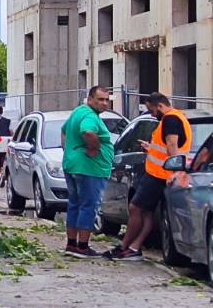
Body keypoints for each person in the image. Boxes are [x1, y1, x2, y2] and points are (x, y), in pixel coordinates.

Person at [108, 93, 188, 261]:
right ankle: (133, 247)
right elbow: (166, 147)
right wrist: (151, 148)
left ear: (159, 106)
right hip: (158, 173)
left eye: (152, 110)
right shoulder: (176, 118)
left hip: (159, 175)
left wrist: (175, 170)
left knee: (135, 208)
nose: (152, 114)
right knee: (146, 212)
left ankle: (126, 247)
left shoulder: (170, 119)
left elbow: (172, 145)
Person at [59, 87, 113, 258]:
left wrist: (67, 150)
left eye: (107, 99)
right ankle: (83, 247)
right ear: (90, 99)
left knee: (74, 204)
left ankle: (71, 244)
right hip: (89, 168)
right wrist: (94, 147)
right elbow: (88, 131)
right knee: (88, 206)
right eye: (100, 99)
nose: (104, 103)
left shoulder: (78, 111)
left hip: (73, 165)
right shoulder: (90, 116)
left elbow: (64, 130)